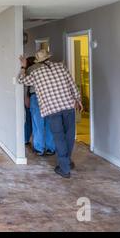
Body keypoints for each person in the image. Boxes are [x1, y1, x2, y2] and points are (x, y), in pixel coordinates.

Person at [18, 49, 83, 178]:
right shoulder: (61, 67)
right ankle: (67, 162)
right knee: (69, 136)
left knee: (59, 137)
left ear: (38, 61)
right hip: (68, 106)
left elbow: (21, 80)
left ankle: (64, 168)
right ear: (48, 58)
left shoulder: (36, 73)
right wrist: (78, 100)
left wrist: (23, 66)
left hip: (52, 109)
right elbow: (72, 85)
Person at [27, 56, 56, 156]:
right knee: (49, 123)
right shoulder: (53, 68)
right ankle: (50, 148)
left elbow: (26, 83)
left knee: (37, 123)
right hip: (50, 96)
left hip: (36, 96)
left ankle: (39, 148)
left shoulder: (31, 68)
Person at [24, 57, 36, 146]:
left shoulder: (28, 71)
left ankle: (26, 139)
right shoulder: (39, 70)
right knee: (35, 121)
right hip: (32, 97)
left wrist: (26, 97)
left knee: (29, 120)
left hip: (31, 97)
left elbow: (26, 86)